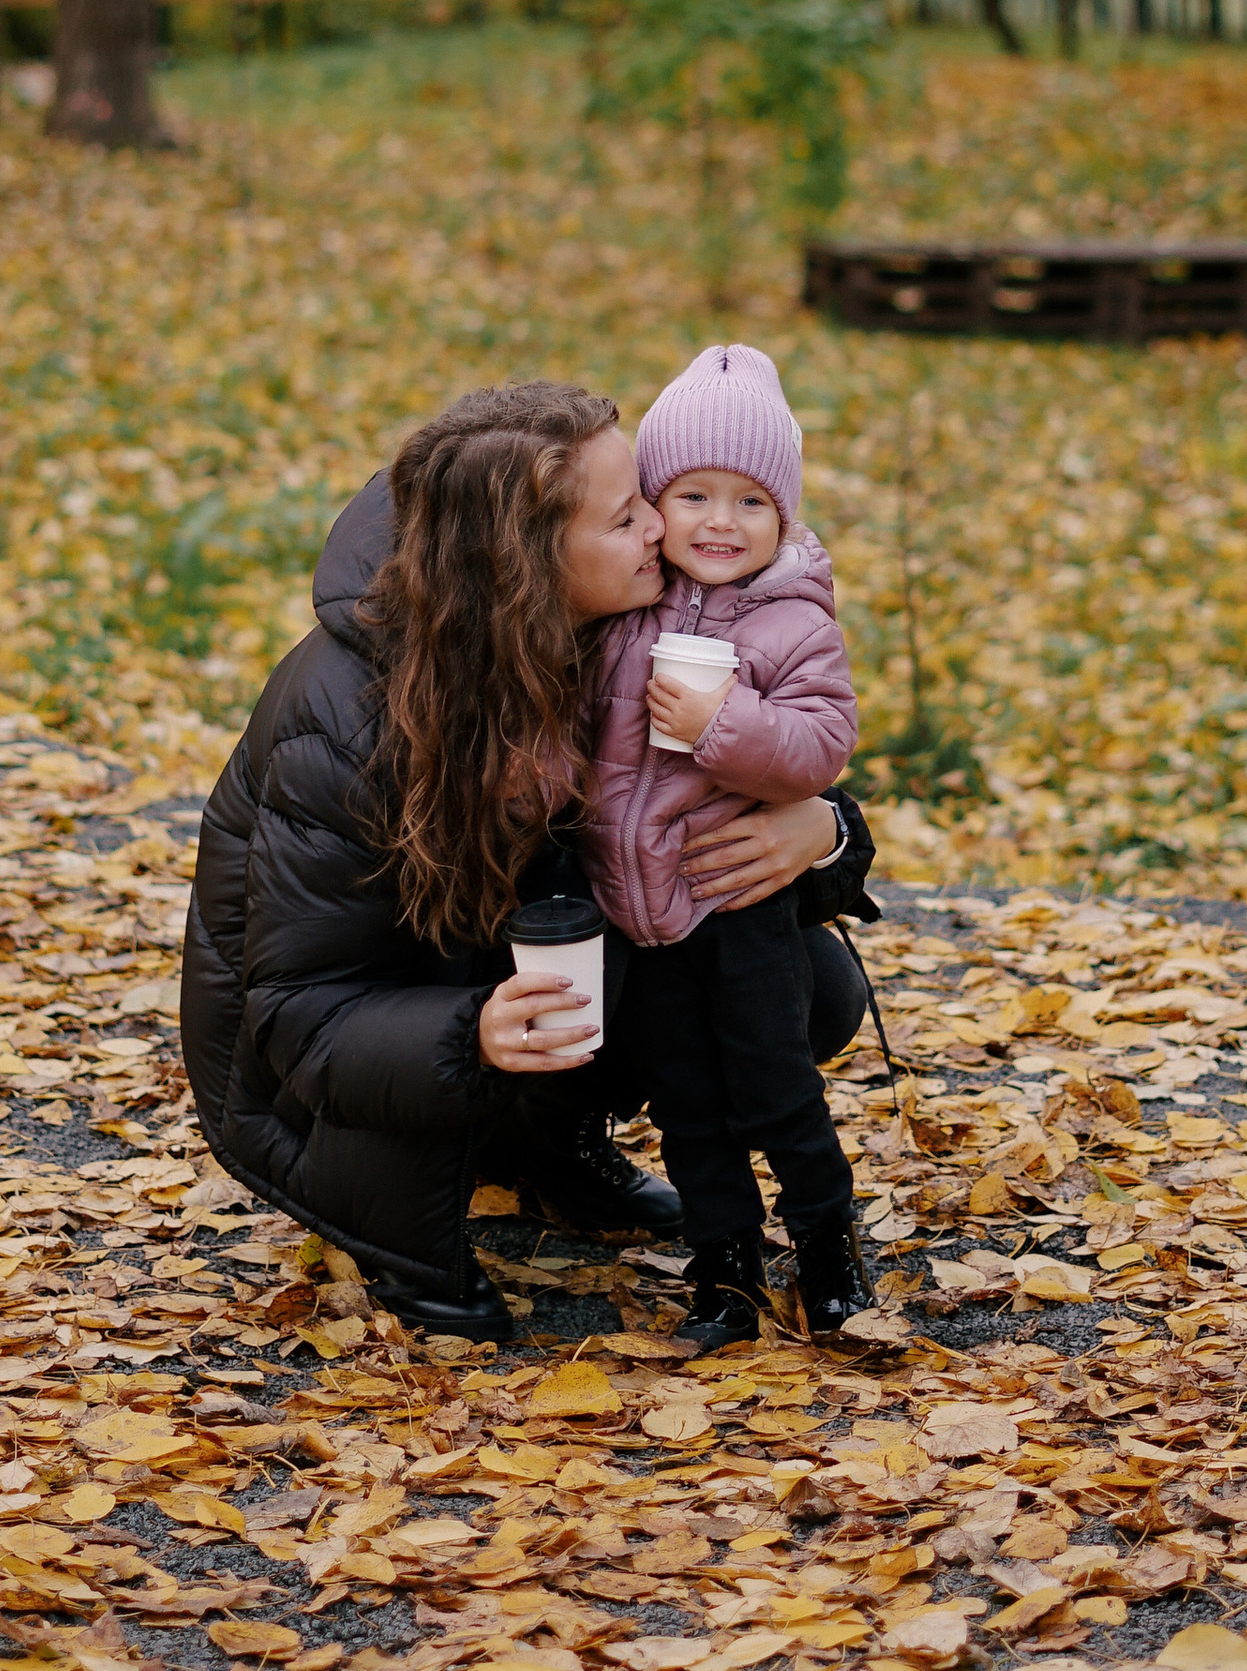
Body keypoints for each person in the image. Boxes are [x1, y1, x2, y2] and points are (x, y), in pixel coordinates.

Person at [179, 380, 877, 1340]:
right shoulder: (347, 723)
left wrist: (827, 831)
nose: (660, 530)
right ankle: (411, 1243)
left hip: (493, 967)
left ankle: (552, 1148)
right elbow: (300, 1019)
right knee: (531, 1018)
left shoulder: (611, 625)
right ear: (528, 559)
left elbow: (731, 772)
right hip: (323, 1065)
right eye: (629, 514)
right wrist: (476, 1033)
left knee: (808, 986)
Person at [582, 343, 866, 1349]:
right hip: (642, 916)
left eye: (750, 502)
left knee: (775, 1094)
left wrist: (719, 722)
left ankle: (827, 1245)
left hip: (737, 910)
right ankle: (723, 1273)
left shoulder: (793, 623)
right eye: (693, 495)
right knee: (691, 1113)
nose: (719, 522)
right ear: (655, 503)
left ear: (784, 514)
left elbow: (821, 745)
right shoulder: (626, 607)